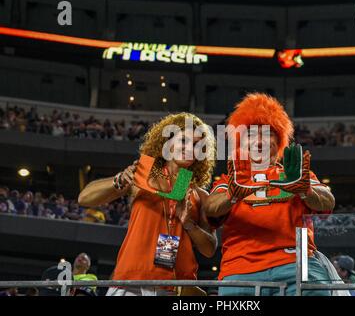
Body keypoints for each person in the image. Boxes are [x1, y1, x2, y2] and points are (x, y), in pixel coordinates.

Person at [203, 93, 335, 296]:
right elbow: (209, 207)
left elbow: (328, 201)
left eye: (266, 134)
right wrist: (233, 195)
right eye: (251, 134)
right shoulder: (221, 179)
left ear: (279, 140)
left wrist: (304, 189)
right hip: (239, 269)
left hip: (295, 264)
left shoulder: (296, 174)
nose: (259, 141)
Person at [78, 113, 217, 296]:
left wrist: (189, 224)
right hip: (130, 282)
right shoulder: (142, 175)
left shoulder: (199, 195)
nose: (190, 148)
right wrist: (119, 180)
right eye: (183, 140)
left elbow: (210, 249)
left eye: (197, 145)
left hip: (175, 288)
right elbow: (84, 198)